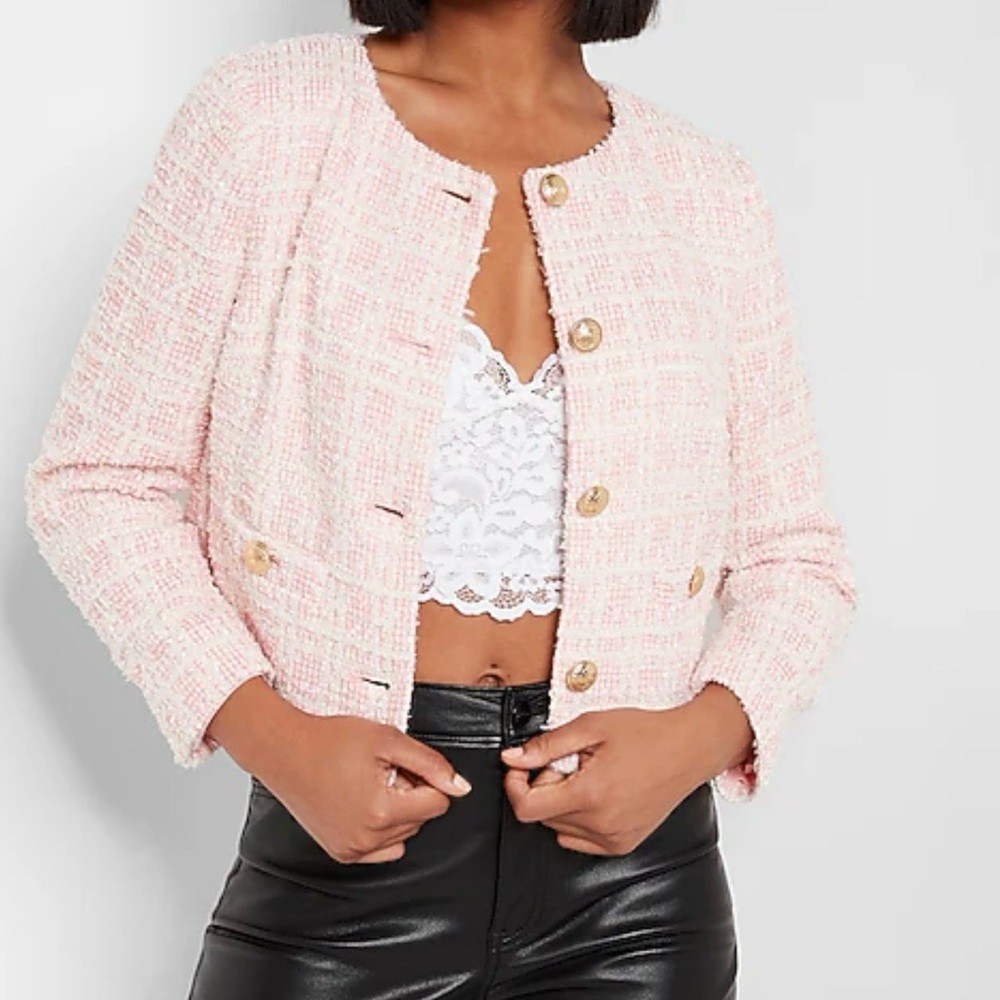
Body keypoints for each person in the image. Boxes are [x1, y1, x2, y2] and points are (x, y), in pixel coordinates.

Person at [23, 2, 858, 996]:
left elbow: (796, 559)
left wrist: (697, 737)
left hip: (638, 900)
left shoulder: (702, 187)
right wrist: (276, 739)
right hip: (337, 871)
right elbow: (99, 482)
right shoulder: (267, 119)